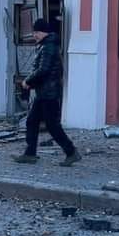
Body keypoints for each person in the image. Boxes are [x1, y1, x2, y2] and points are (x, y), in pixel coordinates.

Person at [14, 18, 81, 166]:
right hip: (44, 93)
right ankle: (30, 154)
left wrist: (28, 81)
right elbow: (43, 70)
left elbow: (43, 69)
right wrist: (33, 83)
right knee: (32, 121)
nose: (34, 35)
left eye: (36, 32)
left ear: (44, 32)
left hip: (48, 94)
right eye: (34, 32)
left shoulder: (48, 46)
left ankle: (71, 152)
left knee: (52, 125)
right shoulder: (46, 45)